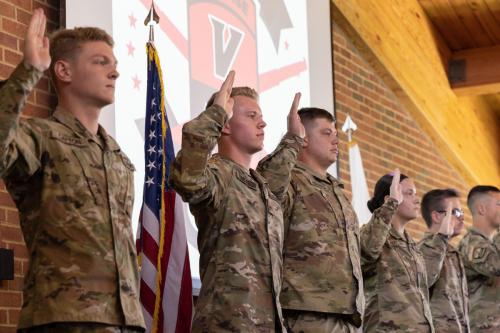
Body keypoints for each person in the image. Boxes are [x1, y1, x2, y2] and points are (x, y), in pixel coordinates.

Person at [0, 9, 145, 332]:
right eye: (100, 62)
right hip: (63, 318)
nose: (115, 73)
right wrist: (27, 73)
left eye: (115, 64)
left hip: (125, 320)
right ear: (63, 70)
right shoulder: (40, 137)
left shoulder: (117, 156)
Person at [169, 70, 305, 332]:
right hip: (228, 324)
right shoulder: (218, 175)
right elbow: (188, 178)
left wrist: (293, 140)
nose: (262, 124)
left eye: (262, 117)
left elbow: (276, 176)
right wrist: (217, 113)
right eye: (251, 116)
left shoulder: (259, 186)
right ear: (227, 125)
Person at [257, 107, 363, 332]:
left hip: (347, 315)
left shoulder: (338, 192)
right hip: (306, 314)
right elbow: (268, 189)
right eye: (326, 133)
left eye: (335, 133)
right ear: (304, 138)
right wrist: (291, 138)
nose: (336, 139)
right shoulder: (289, 180)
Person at [360, 171, 434, 333]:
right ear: (390, 199)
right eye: (409, 193)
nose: (417, 199)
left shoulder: (412, 246)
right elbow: (368, 250)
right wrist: (391, 204)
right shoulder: (372, 234)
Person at [418, 189, 469, 332]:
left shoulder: (453, 252)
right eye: (456, 212)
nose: (462, 218)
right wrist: (442, 238)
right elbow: (422, 280)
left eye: (462, 213)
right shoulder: (422, 249)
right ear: (436, 216)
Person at [458, 185, 500, 332]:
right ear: (482, 209)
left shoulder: (493, 244)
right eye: (499, 204)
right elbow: (496, 266)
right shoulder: (472, 243)